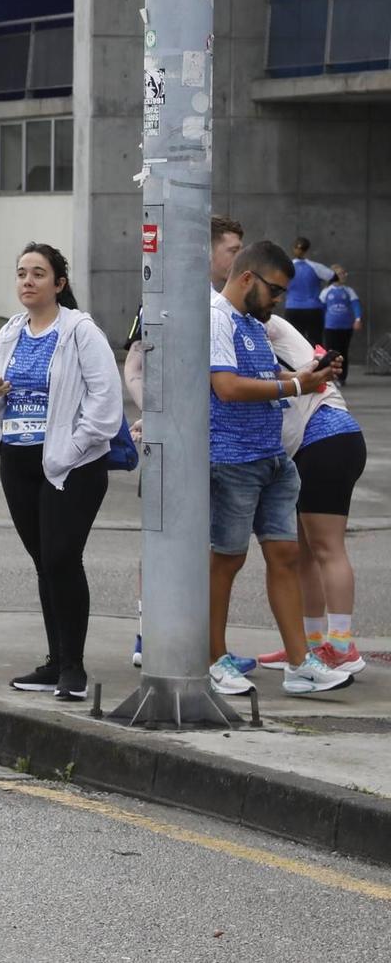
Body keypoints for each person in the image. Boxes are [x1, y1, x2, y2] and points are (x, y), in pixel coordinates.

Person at [0, 245, 120, 702]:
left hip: (70, 465)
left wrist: (72, 449)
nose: (27, 281)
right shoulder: (10, 332)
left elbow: (105, 402)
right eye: (21, 273)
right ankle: (55, 661)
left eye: (39, 273)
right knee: (44, 562)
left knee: (61, 558)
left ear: (59, 284)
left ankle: (73, 668)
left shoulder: (80, 331)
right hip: (18, 461)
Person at [205, 241, 350, 697]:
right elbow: (226, 387)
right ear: (248, 278)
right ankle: (213, 659)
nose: (279, 300)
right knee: (226, 560)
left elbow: (261, 382)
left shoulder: (252, 322)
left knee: (284, 556)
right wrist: (294, 384)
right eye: (275, 290)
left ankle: (299, 663)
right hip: (232, 459)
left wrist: (309, 376)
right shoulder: (216, 317)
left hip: (272, 458)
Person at [122, 213, 242, 667]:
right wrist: (156, 413)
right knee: (158, 538)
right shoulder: (162, 299)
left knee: (220, 549)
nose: (239, 258)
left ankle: (210, 647)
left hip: (229, 448)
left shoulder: (240, 307)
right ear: (206, 251)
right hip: (172, 446)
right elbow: (134, 369)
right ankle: (145, 633)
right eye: (232, 249)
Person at [253, 314, 369, 679]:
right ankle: (311, 642)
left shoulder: (262, 322)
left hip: (326, 438)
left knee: (326, 548)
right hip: (310, 446)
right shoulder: (246, 325)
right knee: (305, 553)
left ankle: (341, 646)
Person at [283, 237, 334, 344]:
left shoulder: (286, 267)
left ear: (293, 249)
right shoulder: (315, 266)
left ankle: (297, 361)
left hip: (293, 308)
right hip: (313, 308)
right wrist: (324, 290)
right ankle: (318, 360)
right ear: (307, 250)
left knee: (293, 341)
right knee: (316, 341)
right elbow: (333, 277)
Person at [320, 266, 362, 386]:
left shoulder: (349, 291)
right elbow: (321, 309)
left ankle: (342, 378)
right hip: (330, 327)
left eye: (344, 273)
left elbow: (356, 305)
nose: (344, 275)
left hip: (346, 328)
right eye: (341, 273)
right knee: (331, 353)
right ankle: (330, 376)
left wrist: (358, 319)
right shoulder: (326, 292)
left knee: (343, 353)